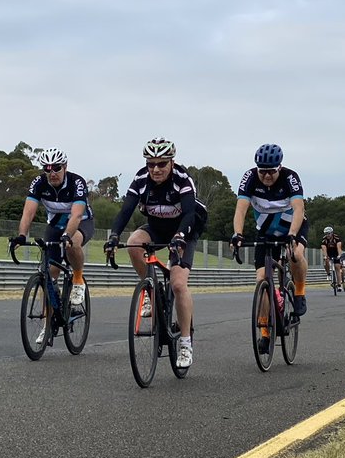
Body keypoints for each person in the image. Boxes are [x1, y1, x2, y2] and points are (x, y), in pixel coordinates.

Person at [104, 137, 206, 370]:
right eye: (151, 164)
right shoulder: (141, 179)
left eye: (161, 164)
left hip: (185, 229)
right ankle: (150, 290)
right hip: (158, 228)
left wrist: (180, 237)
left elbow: (190, 213)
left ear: (171, 162)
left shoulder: (182, 179)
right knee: (133, 242)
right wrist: (113, 236)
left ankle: (185, 341)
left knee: (179, 285)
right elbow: (126, 210)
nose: (156, 169)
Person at [230, 144, 308, 352]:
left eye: (271, 171)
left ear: (279, 168)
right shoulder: (249, 178)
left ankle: (299, 292)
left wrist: (292, 234)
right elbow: (240, 210)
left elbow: (299, 208)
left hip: (292, 227)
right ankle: (266, 333)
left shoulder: (290, 178)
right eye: (262, 170)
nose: (266, 175)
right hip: (265, 233)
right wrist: (237, 233)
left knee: (296, 254)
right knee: (261, 280)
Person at [11, 147, 94, 327]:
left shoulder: (76, 182)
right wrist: (21, 235)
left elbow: (77, 215)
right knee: (49, 273)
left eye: (56, 168)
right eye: (47, 169)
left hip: (81, 223)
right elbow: (28, 212)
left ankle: (78, 279)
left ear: (65, 166)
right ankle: (49, 317)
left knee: (72, 244)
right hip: (55, 225)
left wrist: (67, 235)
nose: (52, 173)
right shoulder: (38, 183)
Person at [321, 226, 345, 290]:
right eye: (326, 234)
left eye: (328, 233)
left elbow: (339, 248)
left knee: (337, 267)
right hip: (329, 253)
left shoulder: (337, 239)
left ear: (332, 233)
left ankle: (339, 285)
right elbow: (324, 250)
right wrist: (325, 256)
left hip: (336, 253)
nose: (327, 235)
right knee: (326, 261)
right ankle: (328, 274)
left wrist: (339, 255)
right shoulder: (324, 240)